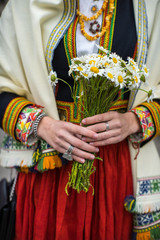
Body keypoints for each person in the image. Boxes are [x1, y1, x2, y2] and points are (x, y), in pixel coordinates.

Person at [0, 0, 160, 239]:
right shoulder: (24, 4)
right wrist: (43, 125)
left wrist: (134, 121)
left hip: (115, 166)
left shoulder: (149, 5)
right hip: (50, 165)